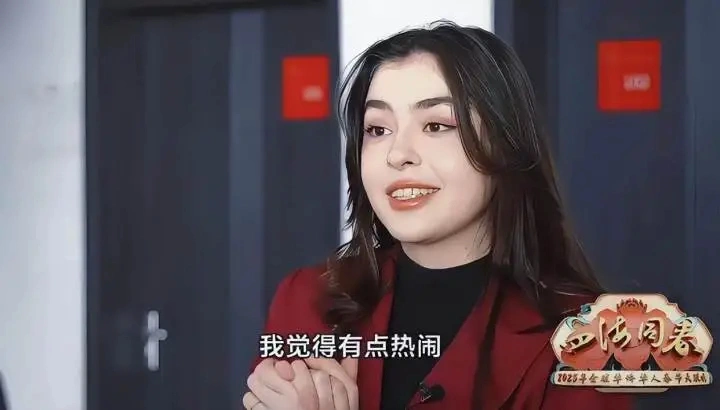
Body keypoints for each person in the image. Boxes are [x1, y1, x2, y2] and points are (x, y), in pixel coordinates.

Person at [242, 21, 634, 410]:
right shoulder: (306, 300)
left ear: (504, 144)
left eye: (435, 125)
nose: (398, 154)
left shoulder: (591, 337)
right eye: (377, 130)